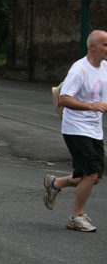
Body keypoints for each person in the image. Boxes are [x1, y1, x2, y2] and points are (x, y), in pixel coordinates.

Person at [43, 30, 107, 232]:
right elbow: (63, 99)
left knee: (94, 177)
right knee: (92, 173)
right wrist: (91, 106)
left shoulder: (104, 67)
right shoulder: (79, 69)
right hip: (76, 128)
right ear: (93, 47)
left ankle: (55, 183)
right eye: (106, 44)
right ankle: (76, 217)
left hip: (94, 129)